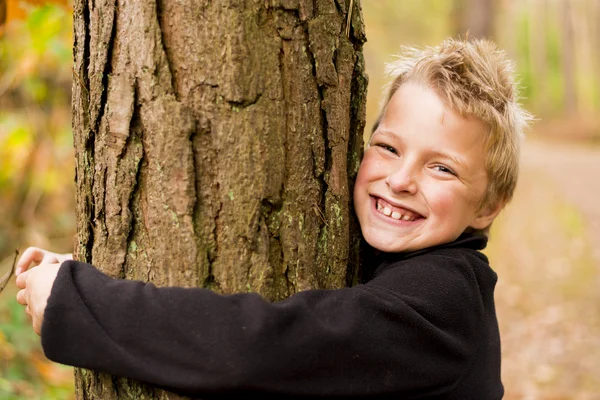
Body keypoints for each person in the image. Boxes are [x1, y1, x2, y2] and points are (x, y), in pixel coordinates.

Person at [15, 38, 531, 399]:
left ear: (488, 206)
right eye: (388, 147)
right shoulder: (397, 266)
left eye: (442, 168)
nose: (400, 180)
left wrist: (75, 300)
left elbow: (259, 348)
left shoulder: (444, 303)